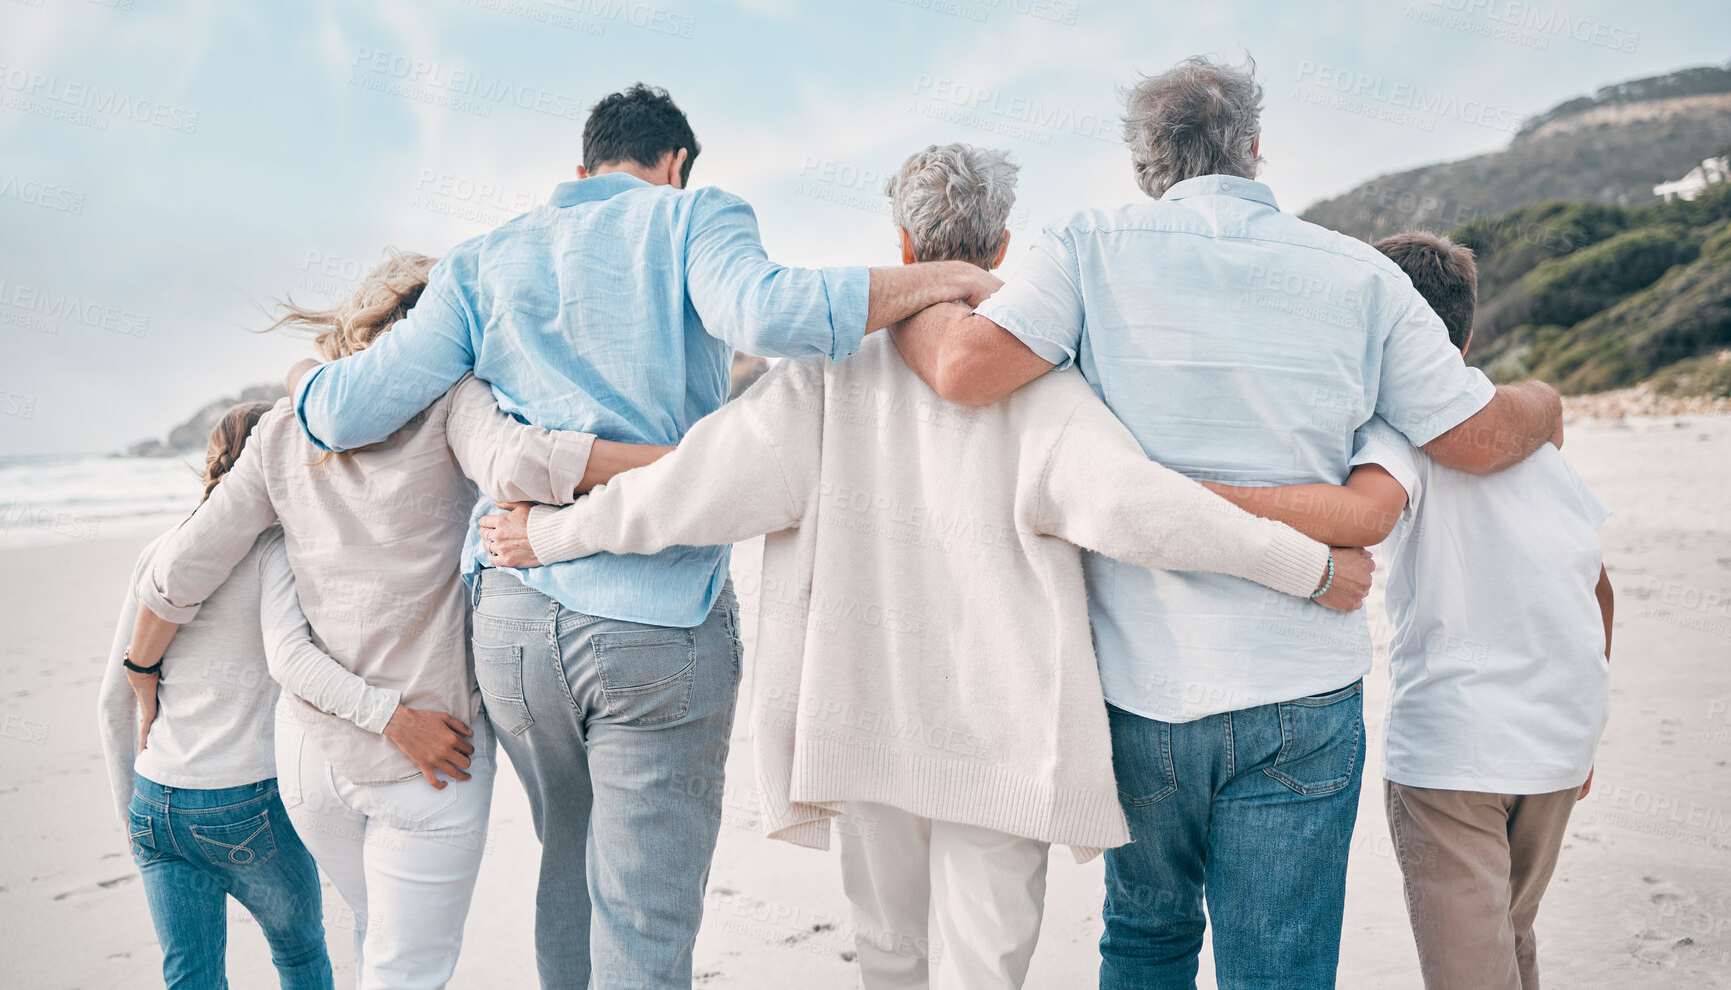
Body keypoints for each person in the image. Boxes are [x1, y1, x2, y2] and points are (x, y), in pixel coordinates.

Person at [477, 142, 1375, 990]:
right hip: (1002, 745)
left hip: (861, 726)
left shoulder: (822, 383)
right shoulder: (1044, 390)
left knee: (888, 963)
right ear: (1004, 247)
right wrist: (1307, 568)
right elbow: (1148, 511)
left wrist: (550, 536)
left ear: (901, 244)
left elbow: (687, 487)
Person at [289, 86, 1002, 990]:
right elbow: (771, 313)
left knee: (570, 876)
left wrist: (302, 382)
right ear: (674, 166)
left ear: (583, 166)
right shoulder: (691, 216)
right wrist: (945, 278)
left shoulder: (482, 260)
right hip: (651, 622)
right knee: (642, 919)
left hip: (510, 623)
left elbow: (342, 413)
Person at [890, 56, 1567, 989]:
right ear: (1253, 148)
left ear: (1143, 166)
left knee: (1144, 937)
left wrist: (897, 290)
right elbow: (1474, 437)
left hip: (1138, 680)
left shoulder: (1089, 243)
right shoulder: (1359, 275)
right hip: (1301, 684)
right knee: (1280, 966)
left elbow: (964, 373)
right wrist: (1543, 401)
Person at [128, 251, 656, 990]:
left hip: (310, 756)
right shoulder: (452, 400)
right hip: (430, 751)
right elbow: (520, 462)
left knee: (375, 934)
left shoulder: (288, 424)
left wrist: (140, 665)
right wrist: (675, 459)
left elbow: (180, 567)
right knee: (405, 970)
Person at [1202, 233, 1614, 990]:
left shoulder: (1397, 430)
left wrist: (1201, 495)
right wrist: (1584, 711)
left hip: (1458, 748)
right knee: (1511, 933)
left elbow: (1361, 516)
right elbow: (1596, 581)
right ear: (1467, 332)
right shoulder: (1528, 432)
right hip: (1559, 739)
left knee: (1472, 968)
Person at [98, 403, 336, 990]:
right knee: (301, 956)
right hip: (243, 801)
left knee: (190, 975)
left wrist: (131, 815)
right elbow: (293, 662)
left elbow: (112, 703)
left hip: (155, 803)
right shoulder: (277, 551)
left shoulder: (160, 551)